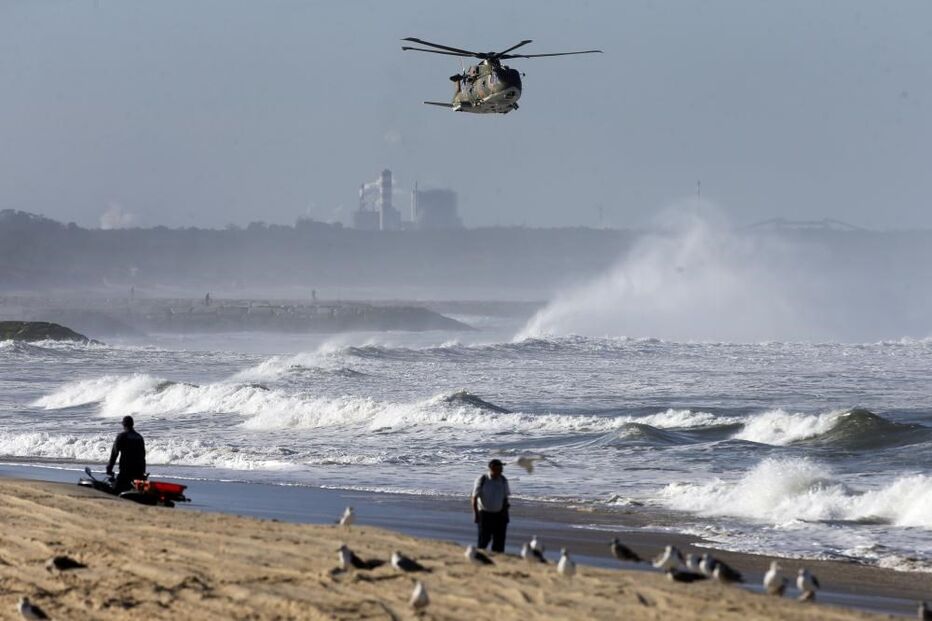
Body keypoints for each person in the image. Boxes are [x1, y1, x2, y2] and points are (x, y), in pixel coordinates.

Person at [471, 459, 510, 553]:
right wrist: (476, 514)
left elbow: (505, 498)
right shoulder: (482, 479)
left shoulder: (503, 480)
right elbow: (474, 497)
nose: (500, 471)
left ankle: (498, 560)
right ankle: (481, 556)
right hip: (485, 514)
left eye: (501, 469)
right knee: (484, 540)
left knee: (499, 541)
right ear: (491, 468)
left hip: (500, 514)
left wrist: (506, 514)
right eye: (498, 469)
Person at [106, 416, 146, 493]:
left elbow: (114, 453)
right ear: (133, 424)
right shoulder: (139, 437)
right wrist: (143, 472)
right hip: (138, 470)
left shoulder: (122, 436)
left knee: (115, 491)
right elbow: (143, 456)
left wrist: (109, 468)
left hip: (126, 470)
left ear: (123, 424)